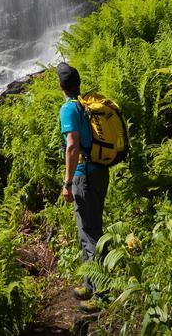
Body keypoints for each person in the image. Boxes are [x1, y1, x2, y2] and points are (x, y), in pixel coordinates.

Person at [57, 62, 109, 312]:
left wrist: (67, 182)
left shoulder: (68, 109)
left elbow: (72, 146)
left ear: (60, 86)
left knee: (89, 233)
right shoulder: (87, 105)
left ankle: (101, 294)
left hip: (84, 176)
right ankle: (90, 283)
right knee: (90, 229)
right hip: (100, 171)